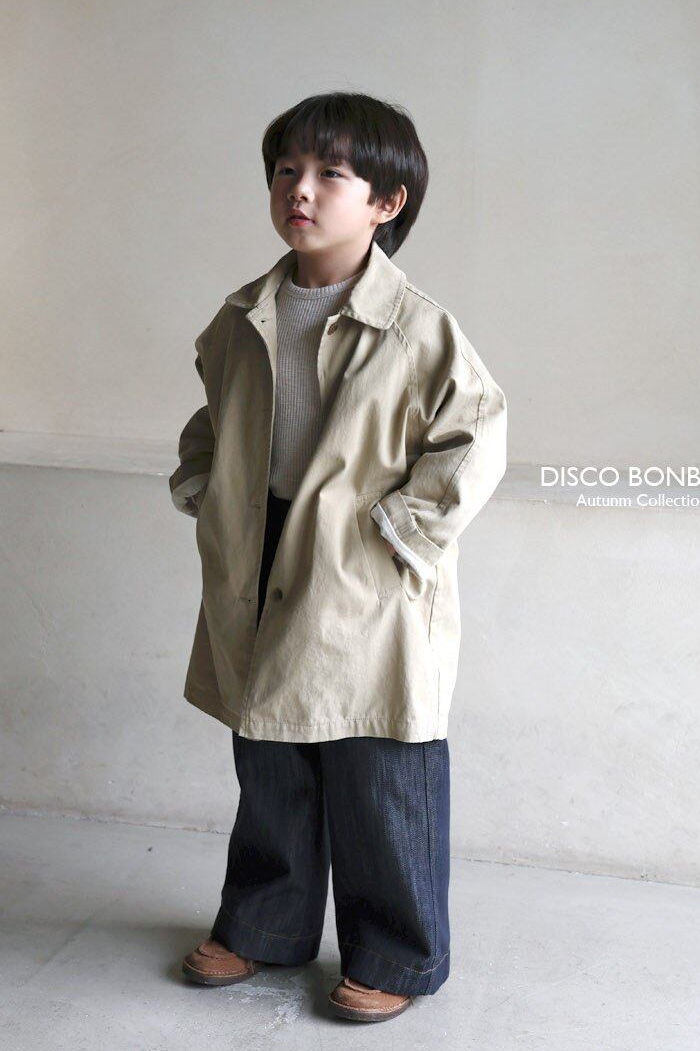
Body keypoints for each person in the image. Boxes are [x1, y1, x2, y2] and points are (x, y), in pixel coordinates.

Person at [170, 92, 507, 1022]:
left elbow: (475, 433)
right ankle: (264, 925)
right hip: (263, 547)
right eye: (287, 171)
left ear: (387, 203)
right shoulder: (244, 315)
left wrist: (401, 533)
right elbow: (214, 418)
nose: (301, 191)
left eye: (331, 174)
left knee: (377, 761)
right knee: (270, 751)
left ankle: (395, 951)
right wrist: (205, 488)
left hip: (366, 564)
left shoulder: (418, 327)